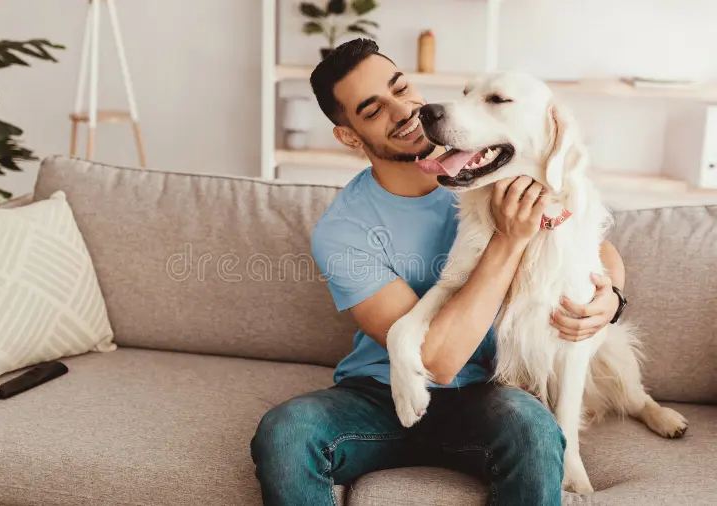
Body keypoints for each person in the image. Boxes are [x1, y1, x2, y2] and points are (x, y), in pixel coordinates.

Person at [250, 38, 626, 506]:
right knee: (285, 431)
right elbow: (436, 363)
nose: (405, 111)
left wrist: (610, 298)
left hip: (489, 392)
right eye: (373, 110)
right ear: (349, 136)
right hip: (382, 392)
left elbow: (592, 243)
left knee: (533, 428)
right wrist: (508, 242)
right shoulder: (342, 231)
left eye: (401, 87)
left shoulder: (490, 167)